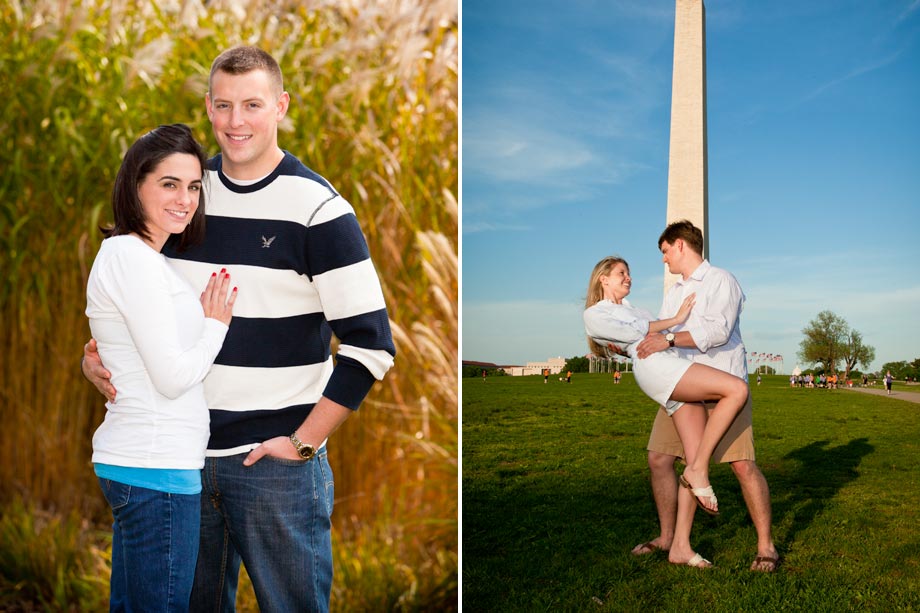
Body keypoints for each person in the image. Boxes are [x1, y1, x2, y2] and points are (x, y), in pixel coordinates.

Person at [83, 47, 395, 612]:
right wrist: (96, 356)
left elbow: (371, 346)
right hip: (178, 463)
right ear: (207, 107)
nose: (235, 122)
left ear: (281, 105)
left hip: (273, 466)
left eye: (252, 104)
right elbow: (136, 301)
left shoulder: (318, 211)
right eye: (223, 105)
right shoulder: (182, 196)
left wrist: (303, 442)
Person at [86, 124, 237, 611]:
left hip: (149, 465)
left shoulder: (141, 259)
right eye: (169, 184)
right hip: (156, 469)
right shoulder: (134, 259)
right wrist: (215, 324)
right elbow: (171, 378)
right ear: (136, 186)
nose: (185, 199)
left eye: (193, 186)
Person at [631, 220, 779, 572]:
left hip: (722, 386)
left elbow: (717, 330)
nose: (664, 260)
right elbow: (659, 335)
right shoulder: (673, 293)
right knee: (659, 459)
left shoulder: (721, 280)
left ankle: (766, 546)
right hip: (681, 387)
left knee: (742, 465)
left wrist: (667, 340)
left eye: (665, 251)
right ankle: (670, 539)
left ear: (680, 245)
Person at [584, 256, 749, 567]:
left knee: (691, 456)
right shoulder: (596, 313)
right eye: (621, 273)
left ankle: (681, 548)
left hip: (671, 364)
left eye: (629, 272)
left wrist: (666, 328)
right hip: (658, 369)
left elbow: (646, 330)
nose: (628, 277)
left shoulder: (633, 309)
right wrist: (676, 318)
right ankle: (699, 472)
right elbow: (644, 331)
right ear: (603, 279)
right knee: (736, 389)